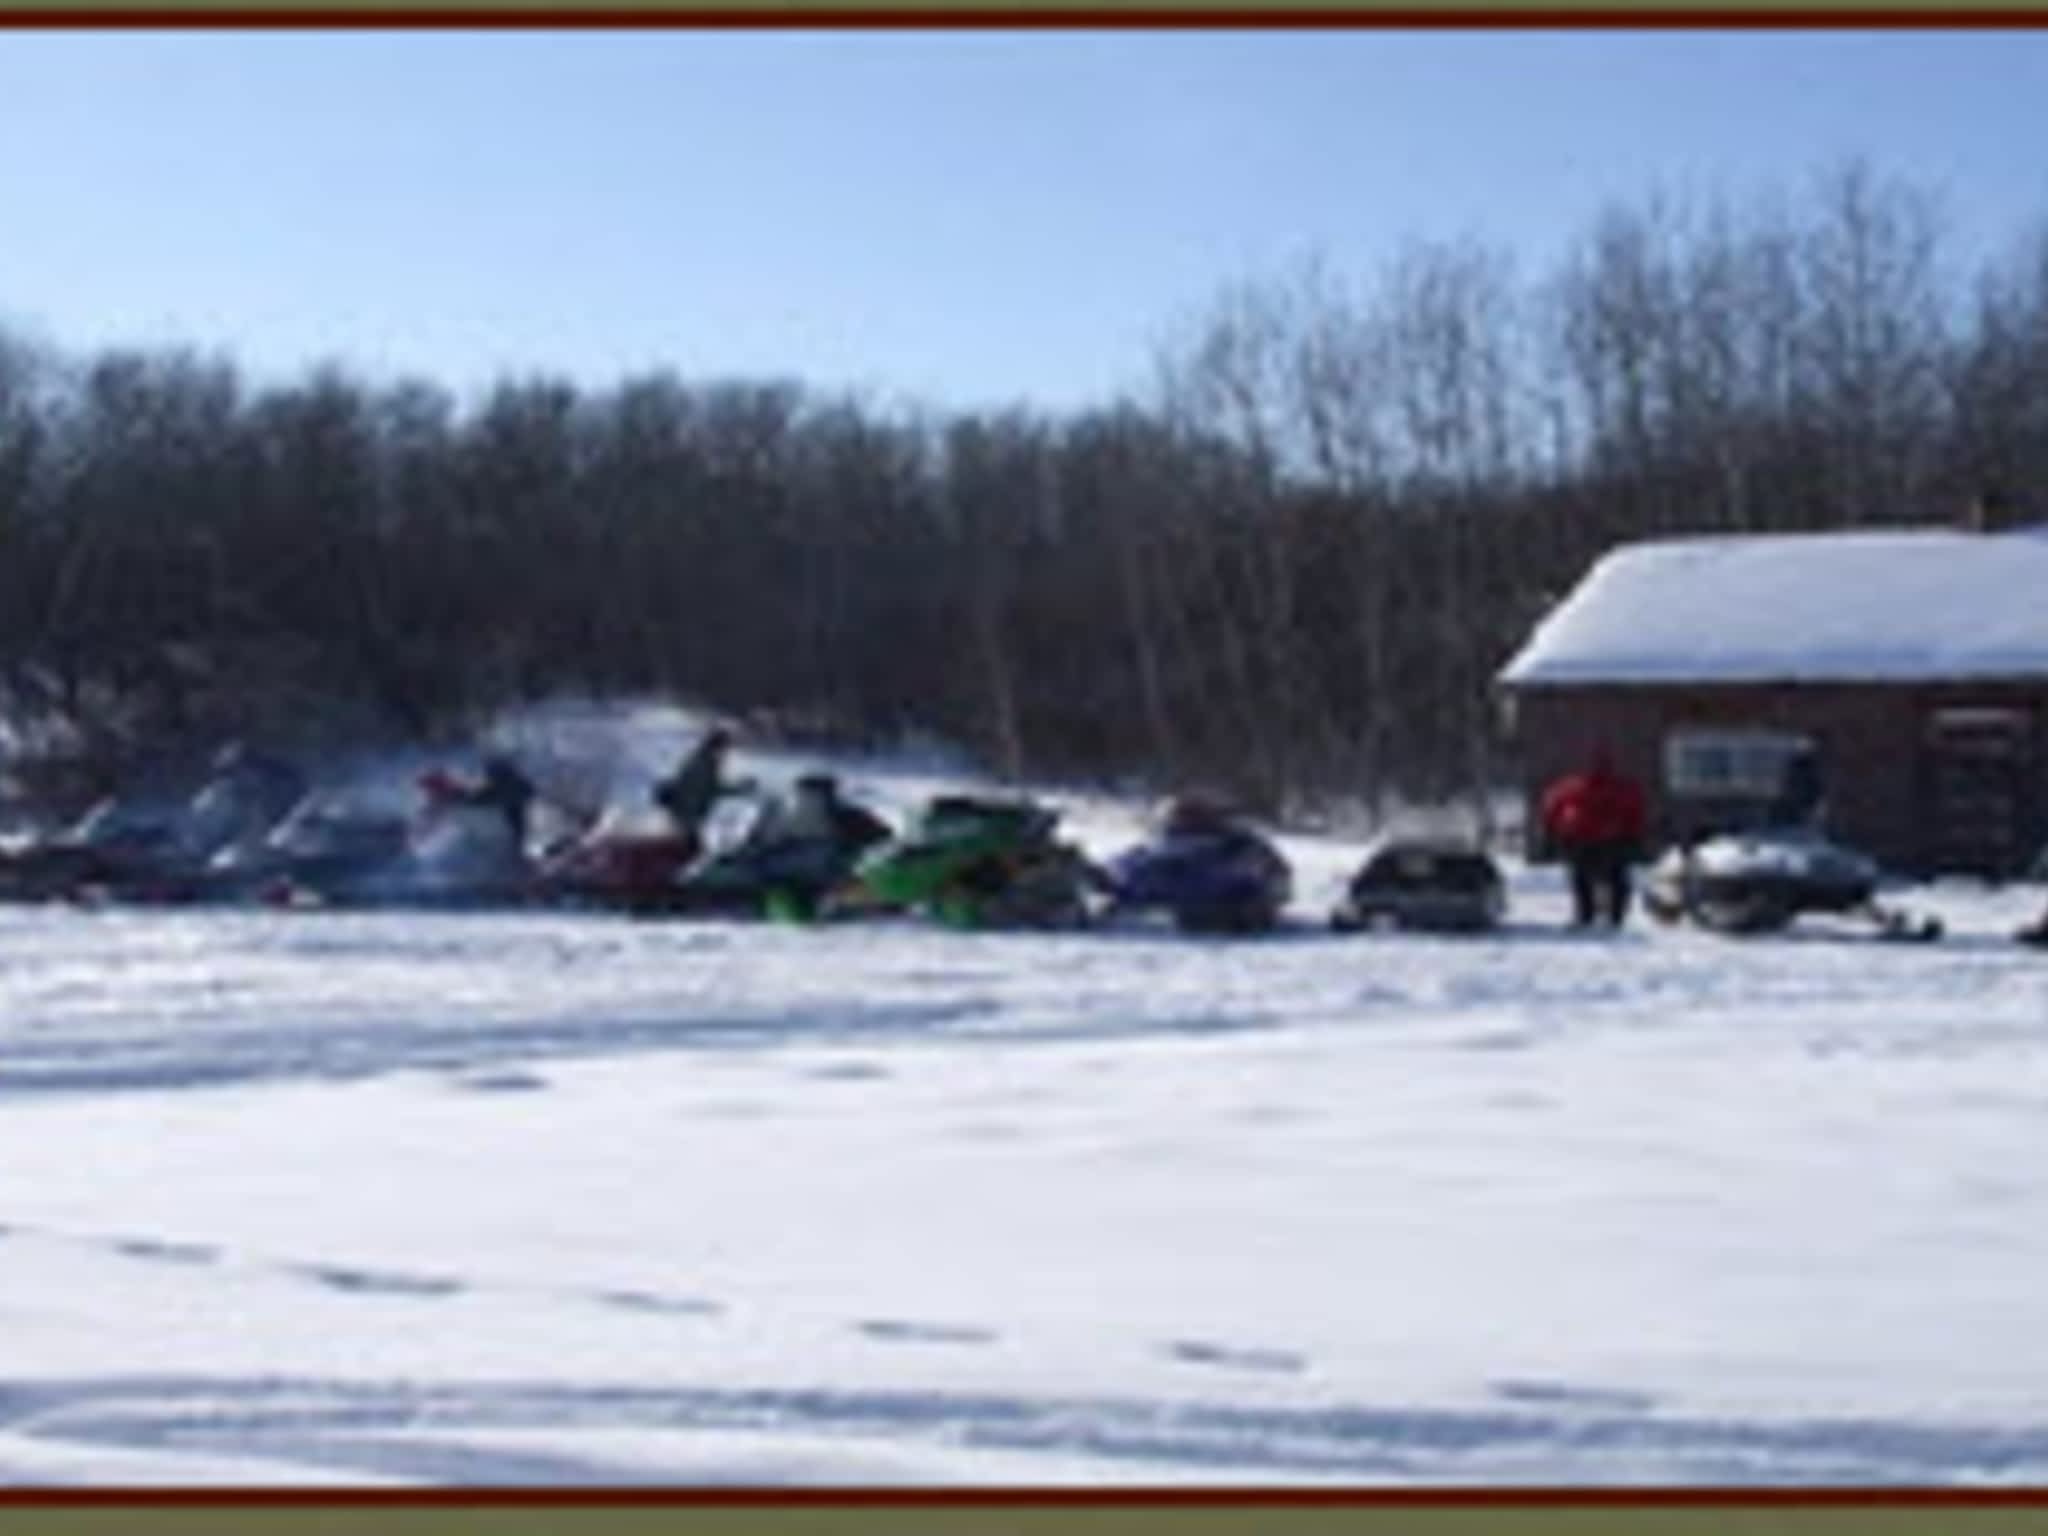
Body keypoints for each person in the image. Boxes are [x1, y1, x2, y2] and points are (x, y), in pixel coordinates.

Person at [1540, 748, 1648, 928]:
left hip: (1589, 839)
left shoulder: (1572, 787)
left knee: (1587, 878)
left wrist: (1553, 830)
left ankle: (1591, 914)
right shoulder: (1618, 788)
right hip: (1603, 839)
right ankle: (1610, 915)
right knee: (1610, 878)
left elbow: (1552, 807)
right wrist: (1634, 834)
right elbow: (1635, 812)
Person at [651, 726, 752, 842]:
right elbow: (709, 790)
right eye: (724, 749)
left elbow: (710, 789)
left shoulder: (702, 761)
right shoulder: (701, 765)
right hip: (688, 816)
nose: (725, 754)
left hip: (689, 815)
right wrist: (740, 789)